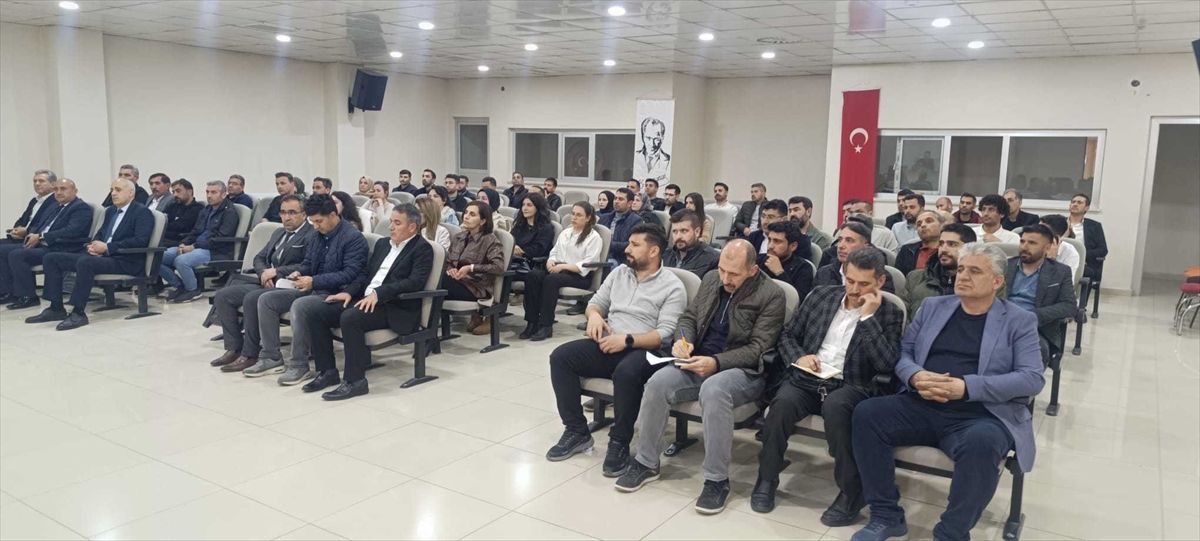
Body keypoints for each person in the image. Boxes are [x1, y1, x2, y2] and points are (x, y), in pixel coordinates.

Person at [850, 242, 1043, 541]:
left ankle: (951, 533)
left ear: (996, 281)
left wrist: (966, 387)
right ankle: (886, 515)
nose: (962, 276)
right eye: (961, 269)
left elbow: (1032, 378)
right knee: (867, 414)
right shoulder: (933, 307)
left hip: (980, 414)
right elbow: (904, 353)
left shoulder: (1019, 320)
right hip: (922, 403)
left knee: (983, 443)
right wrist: (916, 376)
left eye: (974, 271)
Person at [618, 240, 785, 513]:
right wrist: (683, 340)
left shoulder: (772, 295)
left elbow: (758, 349)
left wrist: (716, 362)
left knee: (714, 390)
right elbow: (689, 317)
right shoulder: (710, 279)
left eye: (734, 274)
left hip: (743, 370)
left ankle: (716, 480)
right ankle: (646, 462)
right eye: (722, 270)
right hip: (697, 360)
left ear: (753, 270)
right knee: (657, 383)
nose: (726, 279)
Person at [752, 249, 904, 523]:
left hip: (852, 383)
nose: (854, 289)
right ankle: (767, 477)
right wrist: (799, 356)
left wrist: (867, 318)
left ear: (880, 281)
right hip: (808, 376)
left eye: (863, 284)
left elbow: (886, 364)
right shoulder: (821, 296)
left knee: (837, 407)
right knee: (781, 405)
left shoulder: (889, 312)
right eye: (850, 280)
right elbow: (787, 335)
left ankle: (851, 491)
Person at [545, 223, 687, 473]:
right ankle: (576, 431)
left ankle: (619, 441)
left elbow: (665, 335)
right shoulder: (620, 272)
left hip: (649, 352)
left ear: (654, 251)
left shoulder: (672, 286)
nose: (627, 249)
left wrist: (627, 340)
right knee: (561, 357)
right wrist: (594, 316)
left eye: (635, 245)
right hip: (611, 342)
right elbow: (596, 302)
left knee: (626, 372)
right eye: (629, 243)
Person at [301, 204, 435, 400]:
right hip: (365, 300)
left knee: (350, 317)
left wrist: (379, 293)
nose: (391, 227)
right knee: (317, 312)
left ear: (412, 227)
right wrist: (348, 292)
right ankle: (327, 371)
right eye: (391, 222)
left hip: (395, 306)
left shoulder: (422, 249)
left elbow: (414, 282)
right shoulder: (383, 244)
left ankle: (355, 381)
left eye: (397, 223)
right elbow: (365, 274)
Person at [240, 195, 369, 384]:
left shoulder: (353, 238)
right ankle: (271, 357)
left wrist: (314, 281)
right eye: (312, 222)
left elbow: (349, 274)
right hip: (313, 287)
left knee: (301, 305)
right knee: (266, 300)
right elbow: (308, 263)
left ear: (333, 215)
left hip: (336, 293)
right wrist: (299, 272)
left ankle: (299, 365)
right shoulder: (317, 236)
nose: (315, 226)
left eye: (319, 221)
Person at [28, 179, 153, 331]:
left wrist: (107, 247)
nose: (113, 193)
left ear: (131, 193)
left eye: (118, 190)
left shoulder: (142, 212)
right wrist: (94, 245)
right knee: (52, 258)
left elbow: (140, 241)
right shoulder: (111, 211)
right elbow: (101, 233)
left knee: (85, 262)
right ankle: (56, 308)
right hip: (105, 257)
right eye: (112, 190)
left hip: (126, 260)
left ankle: (78, 312)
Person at [210, 195, 315, 371]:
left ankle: (251, 354)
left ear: (304, 214)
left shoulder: (311, 235)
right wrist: (263, 273)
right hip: (266, 281)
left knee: (252, 298)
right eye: (283, 212)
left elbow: (308, 265)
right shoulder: (279, 232)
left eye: (292, 213)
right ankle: (235, 348)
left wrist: (277, 271)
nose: (286, 217)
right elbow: (259, 257)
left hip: (291, 285)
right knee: (223, 296)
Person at [1, 179, 92, 310]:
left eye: (63, 189)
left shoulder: (80, 208)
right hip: (43, 243)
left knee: (18, 255)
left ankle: (28, 296)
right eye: (56, 189)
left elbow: (72, 231)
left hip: (60, 247)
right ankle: (8, 292)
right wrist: (30, 233)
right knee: (3, 250)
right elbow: (41, 225)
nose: (58, 192)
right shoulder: (57, 207)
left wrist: (41, 236)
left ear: (75, 191)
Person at [521, 202, 603, 341]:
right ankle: (532, 322)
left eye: (579, 215)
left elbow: (589, 263)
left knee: (551, 280)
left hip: (579, 276)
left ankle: (546, 325)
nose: (574, 217)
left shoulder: (594, 237)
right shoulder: (566, 232)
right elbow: (554, 252)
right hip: (560, 271)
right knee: (533, 275)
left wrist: (564, 267)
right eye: (573, 214)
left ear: (588, 218)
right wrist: (551, 261)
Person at [159, 180, 239, 303]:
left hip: (215, 250)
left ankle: (192, 290)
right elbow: (196, 231)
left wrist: (194, 246)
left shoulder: (230, 212)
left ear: (223, 194)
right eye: (207, 192)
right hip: (197, 246)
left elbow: (220, 238)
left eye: (213, 192)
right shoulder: (206, 210)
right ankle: (180, 285)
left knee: (181, 261)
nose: (209, 195)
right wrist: (184, 243)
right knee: (157, 257)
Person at [1004, 224, 1077, 357]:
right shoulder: (1005, 266)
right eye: (1022, 241)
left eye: (1032, 243)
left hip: (1036, 327)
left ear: (1047, 247)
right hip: (1001, 321)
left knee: (1036, 351)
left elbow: (1069, 306)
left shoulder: (1060, 271)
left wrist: (1034, 315)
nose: (1024, 247)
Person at [442, 201, 505, 336]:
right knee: (436, 281)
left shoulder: (490, 240)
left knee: (436, 282)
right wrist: (451, 269)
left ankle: (425, 331)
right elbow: (448, 262)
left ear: (482, 221)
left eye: (472, 214)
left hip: (476, 287)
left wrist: (471, 268)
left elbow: (498, 267)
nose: (466, 216)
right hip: (456, 281)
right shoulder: (458, 237)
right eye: (466, 213)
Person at [904, 223, 977, 316]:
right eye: (941, 244)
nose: (943, 249)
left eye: (952, 244)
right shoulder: (915, 278)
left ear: (969, 248)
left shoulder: (982, 282)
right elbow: (905, 318)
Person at [816, 222, 894, 293]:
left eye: (849, 240)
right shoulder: (824, 273)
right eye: (840, 240)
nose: (841, 246)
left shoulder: (879, 277)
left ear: (866, 246)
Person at [758, 220, 815, 301]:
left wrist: (780, 273)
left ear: (793, 246)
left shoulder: (803, 268)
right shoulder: (758, 260)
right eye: (769, 240)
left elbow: (798, 301)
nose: (770, 246)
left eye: (777, 241)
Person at [511, 192, 556, 279]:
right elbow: (511, 239)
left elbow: (538, 249)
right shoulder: (520, 224)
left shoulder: (546, 227)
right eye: (523, 205)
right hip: (516, 261)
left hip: (532, 265)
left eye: (529, 205)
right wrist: (514, 246)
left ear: (538, 207)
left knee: (503, 273)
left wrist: (521, 251)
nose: (525, 208)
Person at [663, 209, 719, 278]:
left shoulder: (712, 259)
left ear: (697, 232)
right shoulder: (665, 255)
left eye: (684, 231)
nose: (678, 236)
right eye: (675, 231)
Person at [598, 189, 643, 268]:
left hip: (620, 259)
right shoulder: (604, 218)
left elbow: (631, 244)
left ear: (629, 203)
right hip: (600, 255)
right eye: (615, 198)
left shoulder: (636, 220)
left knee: (609, 263)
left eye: (620, 199)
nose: (616, 201)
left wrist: (608, 245)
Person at [1068, 193, 1107, 284]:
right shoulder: (1059, 222)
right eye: (1073, 202)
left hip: (1084, 263)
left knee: (1087, 273)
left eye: (1079, 202)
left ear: (1086, 208)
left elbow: (1103, 250)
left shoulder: (1094, 226)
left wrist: (1082, 255)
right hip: (1061, 261)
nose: (1075, 204)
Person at [895, 209, 942, 275]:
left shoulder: (949, 250)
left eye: (928, 221)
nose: (923, 225)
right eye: (919, 224)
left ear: (941, 225)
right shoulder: (906, 251)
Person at [160, 179, 203, 248]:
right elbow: (162, 221)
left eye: (178, 191)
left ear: (189, 191)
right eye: (173, 192)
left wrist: (166, 226)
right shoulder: (172, 206)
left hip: (180, 242)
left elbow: (181, 226)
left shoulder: (197, 208)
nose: (175, 195)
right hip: (165, 239)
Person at [1040, 214, 1079, 282]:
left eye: (1041, 232)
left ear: (1055, 238)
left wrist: (1051, 261)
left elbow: (1065, 284)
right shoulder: (1028, 245)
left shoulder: (1070, 253)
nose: (1035, 233)